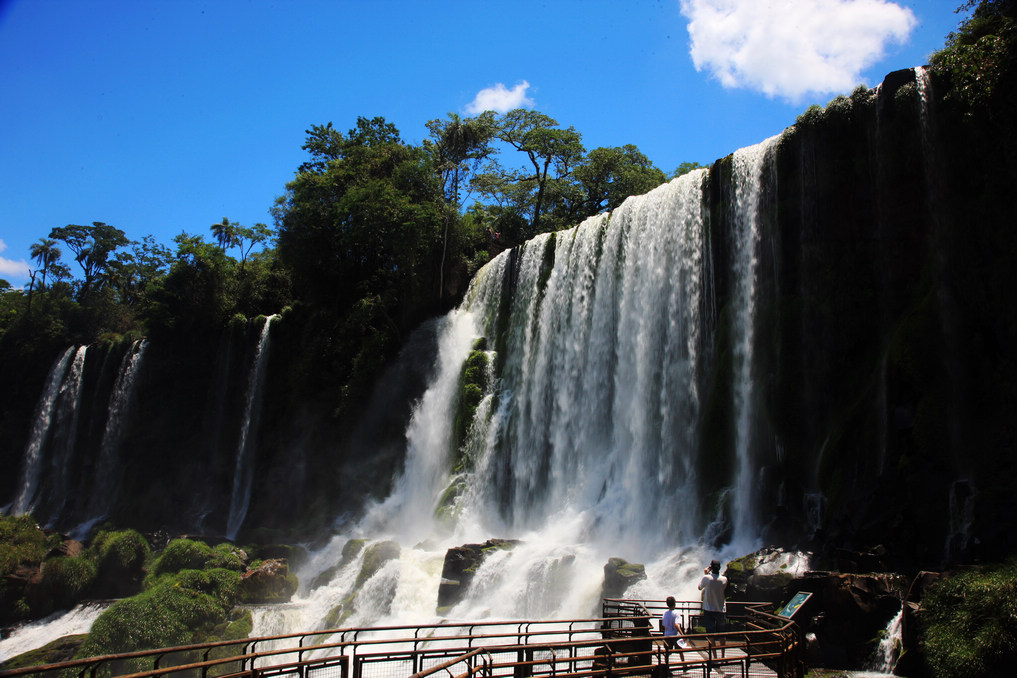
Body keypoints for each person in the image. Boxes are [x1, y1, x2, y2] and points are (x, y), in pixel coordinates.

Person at [699, 559, 728, 657]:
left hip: (708, 609)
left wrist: (705, 574)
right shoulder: (724, 579)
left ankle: (714, 656)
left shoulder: (706, 578)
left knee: (711, 635)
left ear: (711, 567)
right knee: (722, 635)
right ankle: (723, 656)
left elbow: (699, 587)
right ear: (719, 568)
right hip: (720, 609)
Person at [660, 596, 685, 661]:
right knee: (680, 651)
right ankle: (684, 665)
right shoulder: (676, 613)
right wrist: (682, 635)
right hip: (675, 635)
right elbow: (676, 625)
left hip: (667, 635)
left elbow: (663, 625)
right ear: (674, 604)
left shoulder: (665, 613)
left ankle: (666, 665)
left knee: (667, 652)